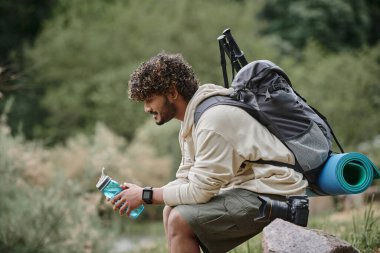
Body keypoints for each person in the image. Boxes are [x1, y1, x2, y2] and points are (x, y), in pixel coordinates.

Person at [111, 52, 308, 253]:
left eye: (150, 99)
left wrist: (146, 195)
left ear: (172, 93)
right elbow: (187, 179)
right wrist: (143, 191)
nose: (146, 108)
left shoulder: (212, 120)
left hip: (278, 194)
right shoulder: (193, 119)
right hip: (251, 189)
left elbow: (200, 191)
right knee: (170, 210)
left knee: (180, 220)